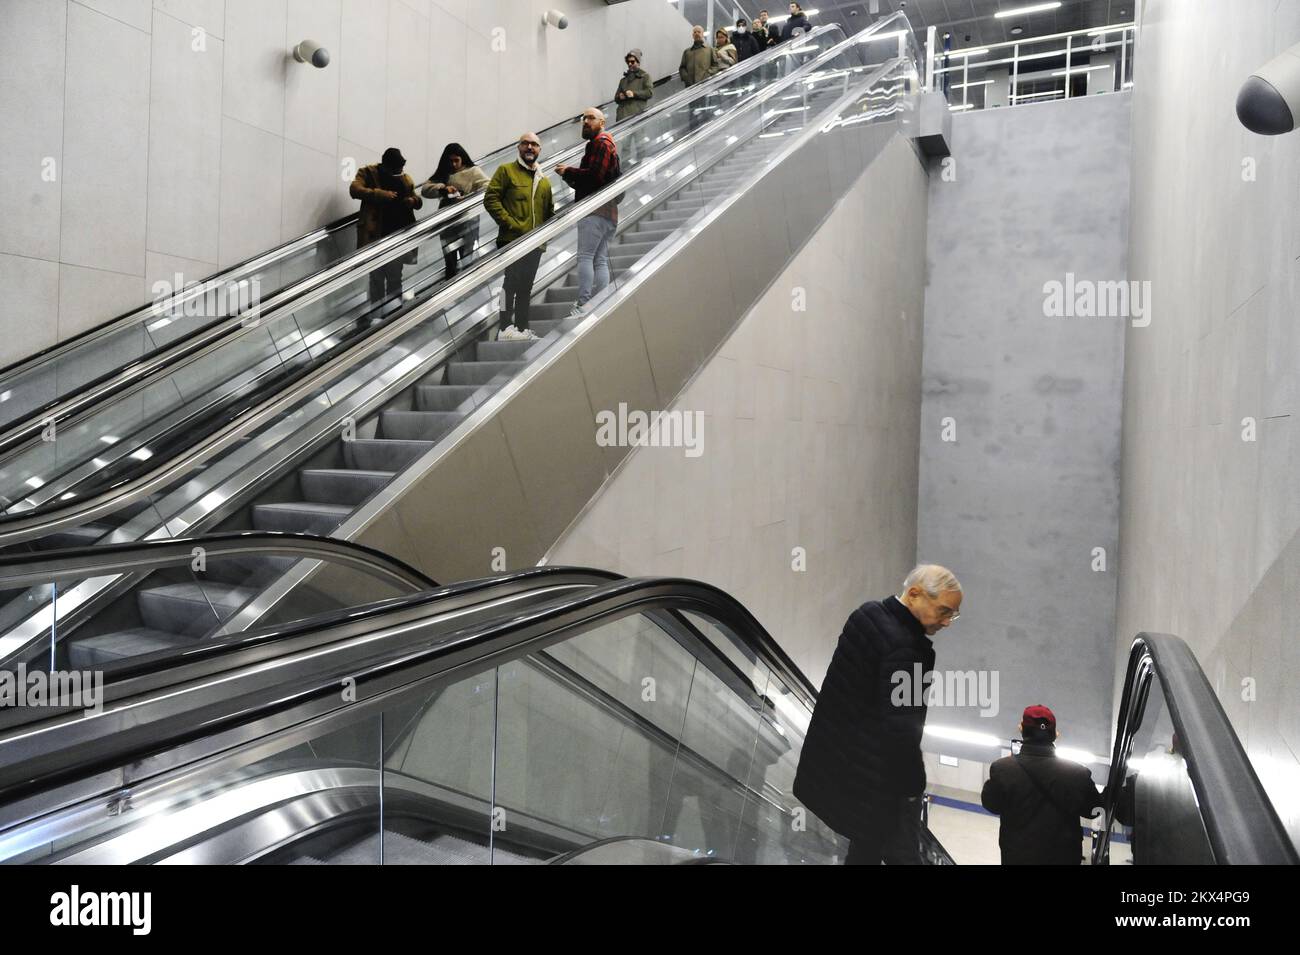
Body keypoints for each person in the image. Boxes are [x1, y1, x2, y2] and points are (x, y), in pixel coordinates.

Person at [792, 564, 964, 865]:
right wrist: (914, 788)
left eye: (953, 615)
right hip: (876, 782)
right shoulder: (907, 651)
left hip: (840, 765)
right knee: (895, 851)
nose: (948, 622)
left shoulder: (867, 614)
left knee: (865, 849)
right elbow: (902, 731)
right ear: (914, 594)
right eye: (944, 611)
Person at [981, 705, 1103, 865]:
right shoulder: (1078, 773)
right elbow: (1094, 811)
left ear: (1021, 728)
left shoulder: (1003, 768)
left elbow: (991, 805)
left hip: (1018, 858)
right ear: (1056, 735)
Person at [483, 133, 554, 340]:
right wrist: (511, 224)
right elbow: (491, 199)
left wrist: (545, 235)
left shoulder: (544, 181)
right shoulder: (506, 171)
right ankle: (505, 327)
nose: (530, 147)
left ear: (539, 149)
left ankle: (522, 329)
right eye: (525, 143)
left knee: (526, 288)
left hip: (535, 244)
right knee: (509, 286)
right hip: (512, 241)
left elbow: (549, 212)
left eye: (534, 144)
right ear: (519, 147)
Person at [556, 108, 620, 315]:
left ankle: (584, 303)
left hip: (594, 212)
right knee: (599, 259)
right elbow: (594, 181)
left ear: (602, 122)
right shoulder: (610, 146)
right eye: (584, 118)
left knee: (585, 257)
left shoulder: (600, 144)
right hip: (609, 214)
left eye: (591, 118)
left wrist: (569, 171)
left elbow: (594, 178)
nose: (585, 121)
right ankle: (601, 301)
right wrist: (568, 176)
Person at [349, 147, 422, 315]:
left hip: (399, 234)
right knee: (376, 277)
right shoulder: (368, 172)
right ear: (387, 166)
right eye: (397, 169)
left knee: (395, 276)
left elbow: (417, 198)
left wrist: (413, 201)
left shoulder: (404, 177)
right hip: (376, 235)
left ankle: (393, 314)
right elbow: (354, 189)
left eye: (401, 169)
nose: (400, 172)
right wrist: (380, 194)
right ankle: (377, 314)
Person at [421, 143, 490, 280]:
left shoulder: (473, 171)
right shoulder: (444, 173)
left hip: (467, 221)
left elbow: (489, 186)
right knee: (450, 262)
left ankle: (465, 286)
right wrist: (443, 189)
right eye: (450, 161)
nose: (453, 164)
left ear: (462, 158)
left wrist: (468, 197)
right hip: (447, 223)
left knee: (467, 259)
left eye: (456, 160)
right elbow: (425, 190)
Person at [614, 49, 653, 123]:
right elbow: (616, 98)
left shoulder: (645, 76)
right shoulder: (623, 80)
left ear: (638, 62)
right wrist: (620, 96)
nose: (629, 64)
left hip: (636, 117)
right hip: (621, 117)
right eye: (628, 62)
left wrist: (634, 94)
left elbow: (649, 93)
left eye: (632, 62)